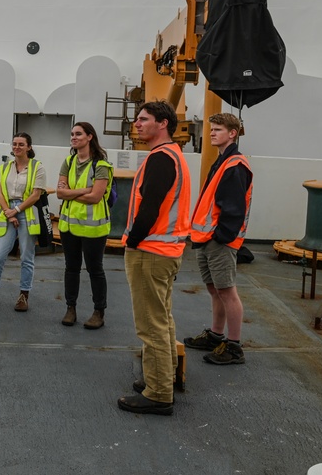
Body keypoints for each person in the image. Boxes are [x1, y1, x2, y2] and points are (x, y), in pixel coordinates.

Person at [118, 100, 191, 416]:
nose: (137, 123)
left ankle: (159, 393)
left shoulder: (161, 159)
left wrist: (132, 242)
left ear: (163, 123)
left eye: (143, 119)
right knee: (163, 317)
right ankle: (165, 375)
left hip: (150, 251)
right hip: (166, 250)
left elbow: (150, 208)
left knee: (151, 324)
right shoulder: (173, 156)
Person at [184, 113, 253, 365]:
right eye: (211, 129)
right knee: (215, 290)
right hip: (207, 239)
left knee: (227, 292)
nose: (211, 133)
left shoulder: (234, 165)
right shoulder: (223, 161)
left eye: (218, 129)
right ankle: (216, 335)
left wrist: (221, 238)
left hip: (219, 241)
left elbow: (233, 209)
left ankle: (234, 346)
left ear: (232, 133)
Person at [0, 133, 45, 311]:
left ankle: (24, 295)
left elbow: (36, 195)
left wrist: (17, 210)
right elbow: (0, 193)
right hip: (7, 213)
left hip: (27, 213)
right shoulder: (5, 167)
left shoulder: (37, 167)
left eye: (21, 144)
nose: (17, 147)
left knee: (26, 258)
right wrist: (8, 212)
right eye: (14, 144)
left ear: (29, 147)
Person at [56, 122, 113, 329]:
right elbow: (60, 193)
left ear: (90, 137)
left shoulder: (101, 165)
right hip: (68, 227)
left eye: (78, 134)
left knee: (94, 269)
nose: (74, 137)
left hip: (93, 228)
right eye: (72, 134)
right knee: (71, 268)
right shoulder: (68, 162)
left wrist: (71, 192)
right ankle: (71, 308)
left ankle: (99, 312)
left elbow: (96, 198)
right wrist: (84, 190)